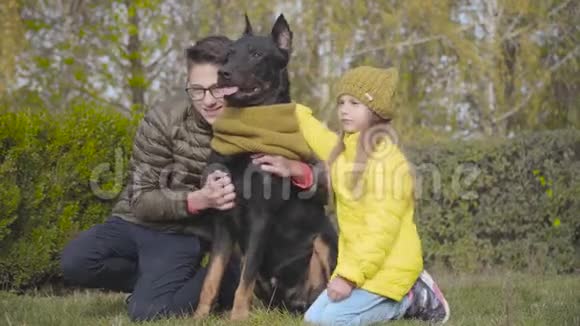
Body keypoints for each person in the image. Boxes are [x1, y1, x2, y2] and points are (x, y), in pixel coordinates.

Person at [59, 35, 317, 322]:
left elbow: (319, 177)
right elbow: (141, 197)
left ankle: (220, 278)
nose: (208, 101)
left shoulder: (258, 121)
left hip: (182, 235)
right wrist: (197, 199)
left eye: (217, 89)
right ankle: (161, 284)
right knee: (75, 262)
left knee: (147, 312)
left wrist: (299, 171)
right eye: (197, 90)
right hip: (137, 219)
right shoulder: (163, 118)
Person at [279, 66, 451, 325]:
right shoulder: (344, 151)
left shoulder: (388, 162)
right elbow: (319, 137)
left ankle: (411, 298)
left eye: (355, 103)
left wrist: (348, 278)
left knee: (331, 322)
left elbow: (379, 230)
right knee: (313, 319)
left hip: (387, 268)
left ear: (376, 111)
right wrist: (290, 110)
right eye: (342, 102)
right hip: (363, 267)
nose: (344, 109)